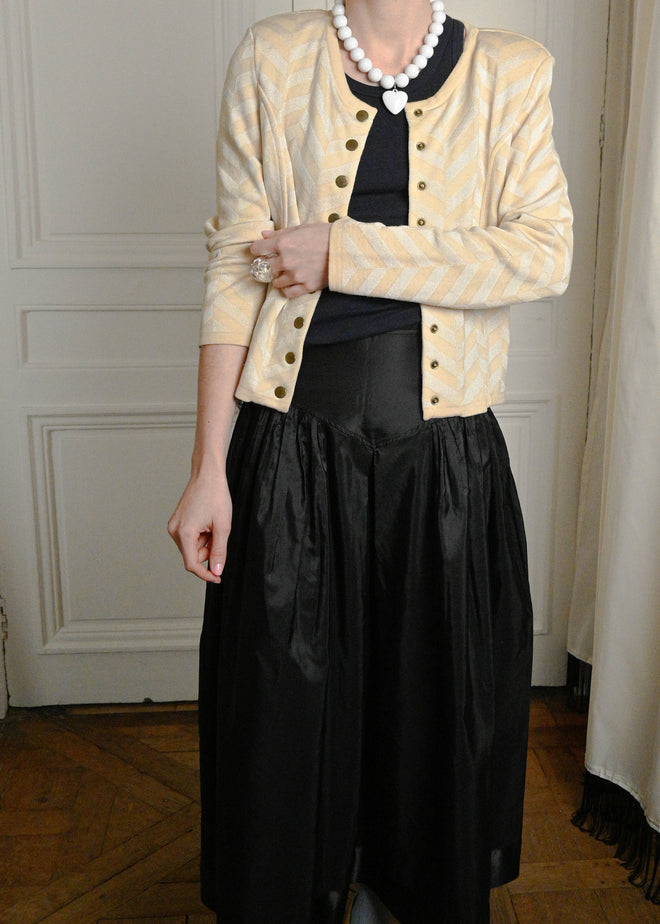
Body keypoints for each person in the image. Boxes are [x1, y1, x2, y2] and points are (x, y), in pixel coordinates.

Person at [168, 1, 573, 922]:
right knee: (283, 717)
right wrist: (207, 467)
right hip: (288, 453)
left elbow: (543, 254)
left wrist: (344, 252)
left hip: (444, 466)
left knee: (430, 720)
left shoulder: (512, 71)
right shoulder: (272, 58)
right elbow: (234, 265)